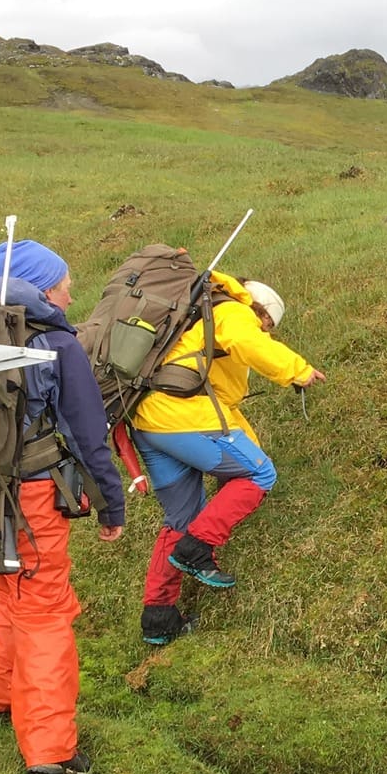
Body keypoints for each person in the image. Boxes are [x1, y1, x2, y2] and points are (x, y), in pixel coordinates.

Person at [0, 238, 126, 774]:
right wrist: (110, 504)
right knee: (46, 611)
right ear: (41, 288)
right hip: (27, 497)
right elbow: (88, 431)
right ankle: (50, 749)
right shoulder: (56, 342)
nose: (71, 295)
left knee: (7, 590)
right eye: (63, 284)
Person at [132, 273, 323, 644]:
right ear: (263, 315)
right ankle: (197, 549)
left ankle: (159, 618)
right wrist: (297, 371)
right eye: (267, 327)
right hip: (182, 416)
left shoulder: (194, 321)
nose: (265, 333)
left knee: (180, 517)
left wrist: (252, 447)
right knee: (260, 475)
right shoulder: (233, 311)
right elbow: (245, 340)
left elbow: (224, 412)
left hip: (149, 421)